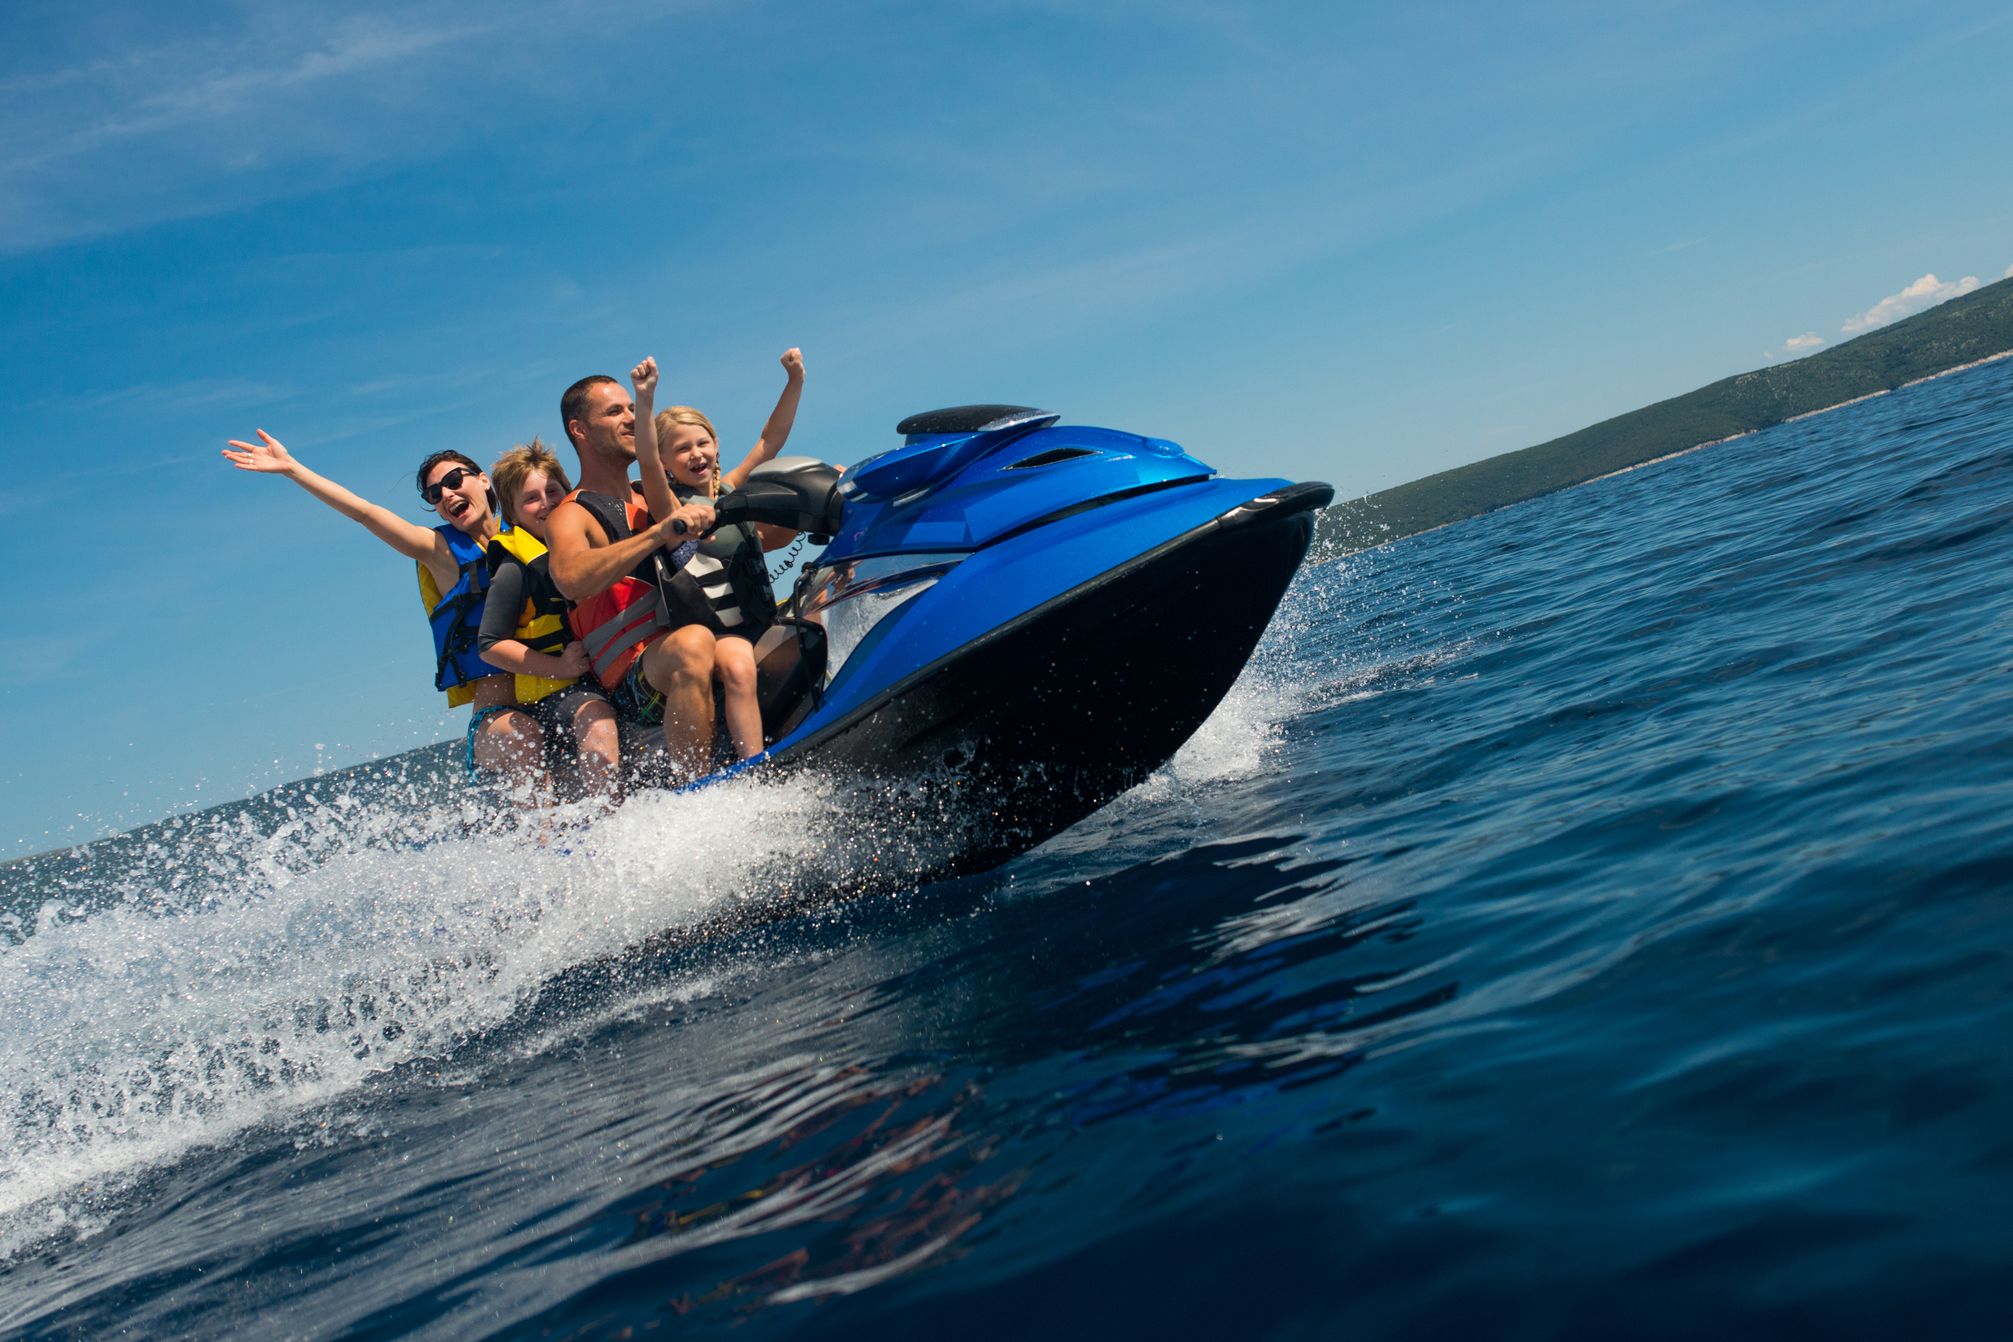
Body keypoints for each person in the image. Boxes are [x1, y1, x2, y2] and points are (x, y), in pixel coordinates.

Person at [220, 431, 544, 793]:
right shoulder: (440, 552)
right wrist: (293, 469)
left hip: (553, 691)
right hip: (498, 723)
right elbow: (365, 513)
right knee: (524, 737)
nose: (447, 494)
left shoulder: (530, 531)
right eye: (435, 495)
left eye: (454, 481)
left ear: (483, 479)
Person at [543, 375, 723, 779]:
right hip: (633, 682)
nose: (630, 419)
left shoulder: (654, 493)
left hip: (694, 648)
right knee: (692, 645)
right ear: (580, 430)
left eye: (631, 409)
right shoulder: (571, 515)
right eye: (614, 412)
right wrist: (658, 534)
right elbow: (571, 578)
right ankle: (696, 793)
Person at [630, 349, 805, 760]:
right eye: (682, 448)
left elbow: (770, 440)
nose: (696, 454)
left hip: (764, 620)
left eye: (702, 442)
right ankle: (752, 766)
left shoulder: (730, 491)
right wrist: (645, 399)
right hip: (720, 638)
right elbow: (646, 462)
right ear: (668, 463)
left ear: (715, 443)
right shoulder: (670, 511)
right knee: (740, 667)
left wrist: (794, 380)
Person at [480, 441, 620, 800]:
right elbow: (490, 645)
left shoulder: (586, 539)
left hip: (606, 672)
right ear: (512, 513)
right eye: (531, 498)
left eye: (553, 491)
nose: (546, 503)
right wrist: (560, 667)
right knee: (596, 714)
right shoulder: (515, 568)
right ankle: (609, 816)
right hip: (557, 693)